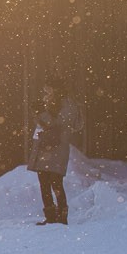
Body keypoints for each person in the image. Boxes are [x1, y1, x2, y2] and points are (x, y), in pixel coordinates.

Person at [27, 83, 72, 225]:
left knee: (55, 183)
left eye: (49, 90)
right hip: (45, 149)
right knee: (44, 183)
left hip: (56, 150)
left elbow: (57, 124)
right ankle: (51, 216)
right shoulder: (51, 104)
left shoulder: (66, 106)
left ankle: (61, 217)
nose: (46, 93)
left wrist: (41, 113)